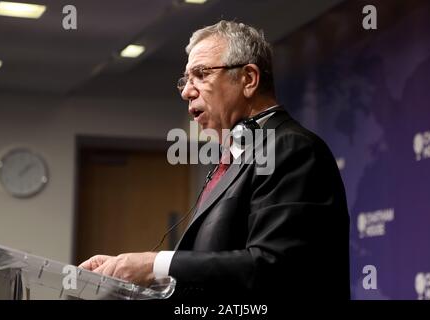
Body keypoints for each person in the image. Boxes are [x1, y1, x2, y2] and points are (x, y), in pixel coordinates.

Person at [79, 20, 350, 301]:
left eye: (201, 74)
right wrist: (132, 277)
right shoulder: (236, 156)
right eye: (186, 79)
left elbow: (277, 268)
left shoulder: (293, 148)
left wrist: (154, 265)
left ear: (248, 79)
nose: (186, 91)